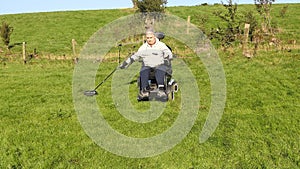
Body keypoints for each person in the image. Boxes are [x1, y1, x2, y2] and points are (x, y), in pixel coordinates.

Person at [119, 29, 173, 99]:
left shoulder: (161, 45)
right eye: (148, 38)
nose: (149, 39)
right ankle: (144, 91)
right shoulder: (144, 47)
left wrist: (166, 58)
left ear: (154, 37)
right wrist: (125, 63)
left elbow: (169, 54)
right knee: (143, 71)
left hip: (159, 65)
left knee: (160, 70)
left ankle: (161, 90)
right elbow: (135, 56)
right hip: (148, 66)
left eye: (151, 38)